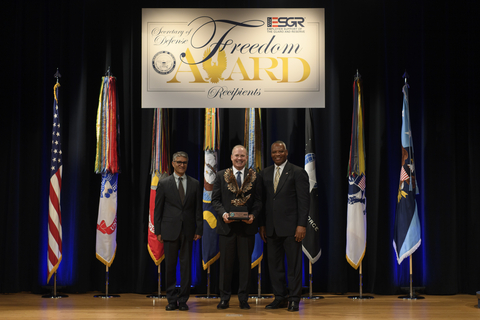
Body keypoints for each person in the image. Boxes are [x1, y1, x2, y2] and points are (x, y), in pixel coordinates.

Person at [260, 141, 309, 312]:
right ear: (271, 153)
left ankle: (294, 299)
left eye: (280, 151)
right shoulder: (265, 173)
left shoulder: (297, 172)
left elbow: (304, 202)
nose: (277, 154)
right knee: (275, 266)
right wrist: (263, 225)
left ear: (286, 152)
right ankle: (280, 297)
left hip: (292, 229)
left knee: (294, 266)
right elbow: (264, 202)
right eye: (274, 152)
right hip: (271, 228)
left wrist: (301, 225)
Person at [212, 145, 262, 310]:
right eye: (236, 156)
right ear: (231, 157)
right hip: (227, 229)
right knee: (225, 265)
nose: (239, 158)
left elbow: (258, 201)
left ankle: (243, 299)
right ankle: (224, 298)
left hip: (247, 228)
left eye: (242, 156)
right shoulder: (220, 175)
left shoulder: (255, 176)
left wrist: (253, 215)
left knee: (245, 266)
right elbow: (216, 200)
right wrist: (223, 214)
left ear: (247, 157)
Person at [154, 151, 203, 311]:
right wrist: (158, 230)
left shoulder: (195, 183)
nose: (182, 165)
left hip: (188, 230)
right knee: (170, 266)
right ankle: (171, 300)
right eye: (179, 162)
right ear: (173, 164)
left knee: (186, 267)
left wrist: (199, 229)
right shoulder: (164, 183)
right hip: (169, 230)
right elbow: (158, 209)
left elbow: (198, 209)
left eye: (185, 162)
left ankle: (183, 300)